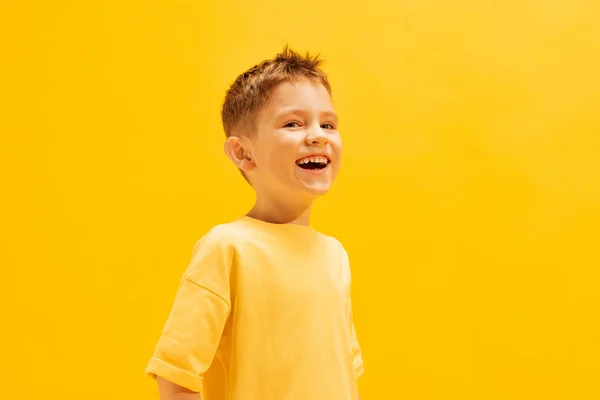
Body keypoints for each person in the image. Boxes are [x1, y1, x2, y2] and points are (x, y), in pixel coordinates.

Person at [145, 45, 364, 400]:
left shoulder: (335, 255)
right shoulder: (228, 247)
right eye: (293, 123)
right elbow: (176, 374)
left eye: (328, 123)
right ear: (243, 153)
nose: (317, 135)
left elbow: (342, 377)